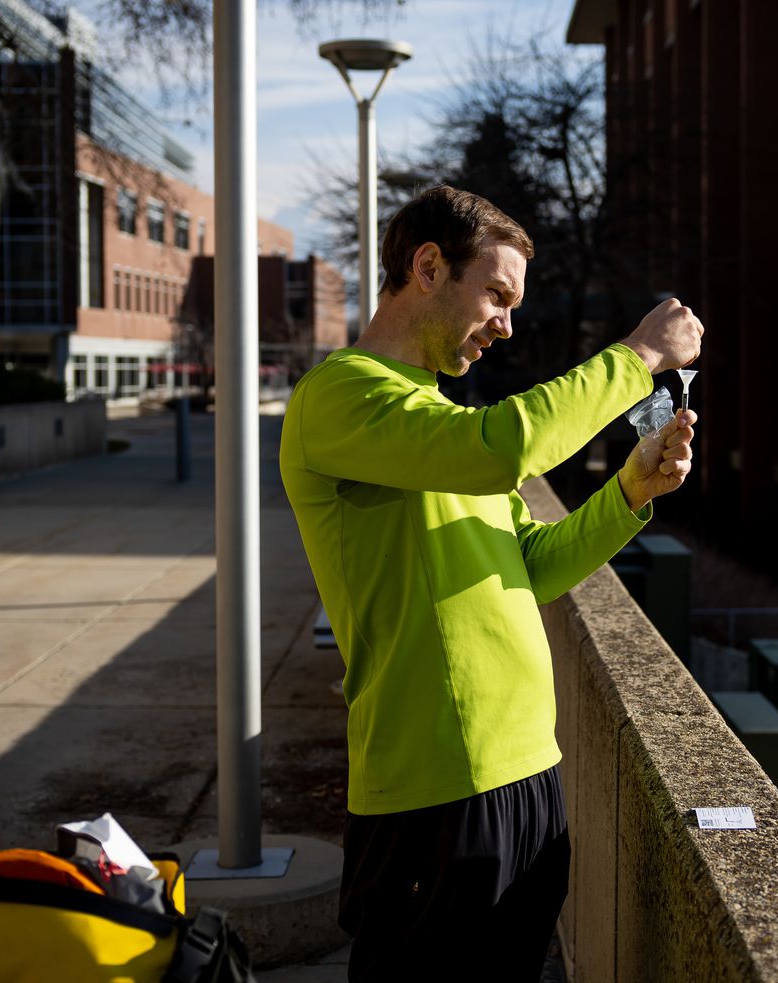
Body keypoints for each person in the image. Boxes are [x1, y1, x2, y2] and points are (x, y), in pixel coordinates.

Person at [279, 186, 702, 981]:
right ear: (428, 266)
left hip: (528, 773)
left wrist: (630, 494)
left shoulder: (438, 421)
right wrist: (639, 355)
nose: (508, 323)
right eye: (497, 295)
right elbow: (503, 448)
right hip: (427, 790)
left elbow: (533, 564)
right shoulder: (339, 397)